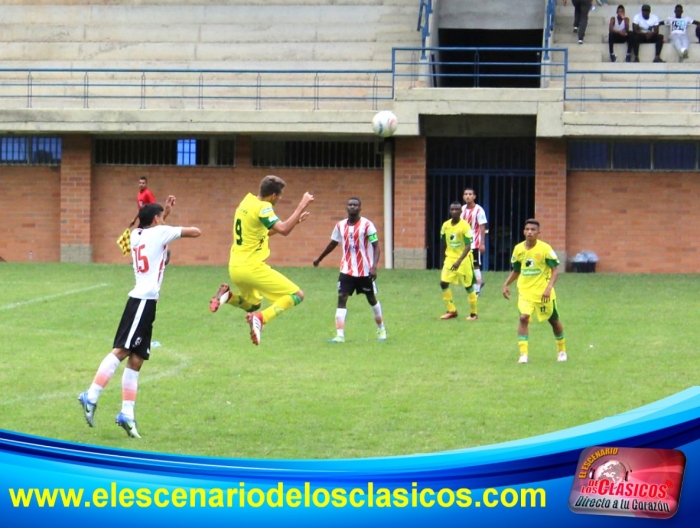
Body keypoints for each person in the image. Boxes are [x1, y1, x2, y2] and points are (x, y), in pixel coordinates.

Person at [78, 197, 201, 438]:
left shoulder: (136, 235)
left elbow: (152, 229)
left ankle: (127, 414)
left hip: (145, 303)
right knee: (122, 350)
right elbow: (196, 232)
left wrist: (164, 213)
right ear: (156, 221)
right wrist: (167, 220)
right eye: (161, 217)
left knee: (136, 360)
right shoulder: (159, 233)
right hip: (142, 302)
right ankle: (90, 396)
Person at [209, 175, 313, 346]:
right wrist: (302, 205)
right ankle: (261, 319)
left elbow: (261, 232)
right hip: (252, 268)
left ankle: (227, 296)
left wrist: (294, 222)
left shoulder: (246, 202)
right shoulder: (264, 207)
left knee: (253, 304)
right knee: (297, 295)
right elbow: (284, 229)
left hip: (235, 267)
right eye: (279, 196)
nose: (279, 199)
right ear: (273, 196)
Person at [312, 197, 387, 343]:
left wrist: (374, 267)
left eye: (355, 205)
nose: (352, 207)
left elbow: (376, 246)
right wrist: (320, 258)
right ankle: (340, 334)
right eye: (350, 205)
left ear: (360, 208)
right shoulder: (340, 226)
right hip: (346, 269)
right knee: (342, 297)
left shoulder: (367, 225)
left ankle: (381, 328)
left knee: (371, 299)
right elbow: (333, 243)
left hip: (365, 271)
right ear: (346, 207)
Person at [501, 219, 567, 364]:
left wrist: (549, 288)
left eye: (533, 229)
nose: (529, 232)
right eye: (527, 229)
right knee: (523, 318)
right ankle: (523, 354)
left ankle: (562, 351)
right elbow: (517, 270)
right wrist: (506, 284)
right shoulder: (518, 249)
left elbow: (555, 270)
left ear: (538, 233)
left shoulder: (545, 249)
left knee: (553, 321)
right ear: (524, 231)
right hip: (525, 292)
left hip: (543, 293)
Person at [439, 202, 478, 321]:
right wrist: (444, 259)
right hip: (450, 259)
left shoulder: (465, 226)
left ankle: (473, 313)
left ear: (461, 211)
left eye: (457, 209)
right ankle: (451, 310)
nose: (454, 211)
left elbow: (468, 245)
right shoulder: (445, 225)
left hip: (464, 259)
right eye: (452, 209)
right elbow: (443, 243)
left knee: (468, 286)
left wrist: (459, 261)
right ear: (450, 211)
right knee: (443, 283)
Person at [460, 187, 488, 297]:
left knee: (475, 264)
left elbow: (482, 227)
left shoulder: (479, 210)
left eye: (470, 194)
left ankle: (477, 289)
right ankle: (478, 282)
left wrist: (482, 243)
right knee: (467, 265)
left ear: (474, 196)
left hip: (475, 242)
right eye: (466, 194)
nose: (468, 196)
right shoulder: (462, 209)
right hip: (464, 242)